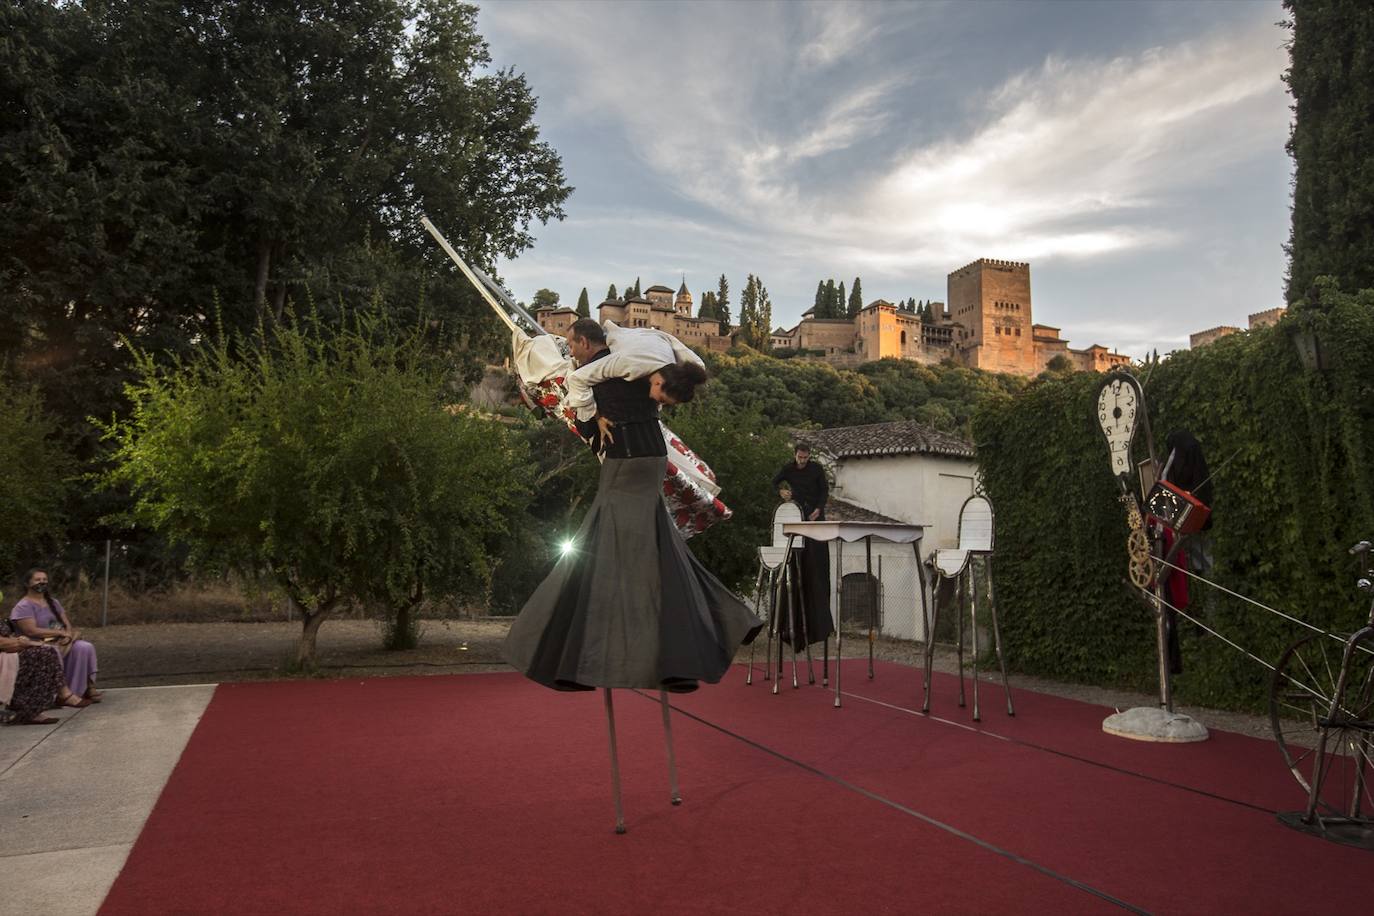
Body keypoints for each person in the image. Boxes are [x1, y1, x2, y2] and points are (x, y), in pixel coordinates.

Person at [504, 317, 761, 834]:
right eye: (664, 396)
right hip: (642, 462)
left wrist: (587, 418)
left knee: (612, 557)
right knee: (655, 556)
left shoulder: (653, 361)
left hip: (628, 464)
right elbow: (587, 375)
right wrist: (594, 414)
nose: (661, 400)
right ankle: (681, 645)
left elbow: (580, 383)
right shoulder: (650, 360)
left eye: (666, 397)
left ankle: (597, 650)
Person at [770, 446, 833, 650]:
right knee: (796, 552)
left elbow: (824, 489)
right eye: (800, 457)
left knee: (816, 555)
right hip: (796, 513)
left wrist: (819, 509)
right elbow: (773, 483)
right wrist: (782, 492)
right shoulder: (788, 469)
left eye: (806, 458)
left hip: (814, 513)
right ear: (795, 456)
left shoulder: (816, 469)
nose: (803, 460)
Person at [9, 569, 101, 702]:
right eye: (37, 579)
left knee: (84, 647)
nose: (42, 582)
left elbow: (66, 624)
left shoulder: (53, 602)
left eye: (44, 579)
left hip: (61, 640)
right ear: (27, 583)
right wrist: (60, 633)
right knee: (52, 650)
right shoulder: (23, 606)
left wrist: (68, 635)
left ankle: (85, 687)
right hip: (36, 643)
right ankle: (59, 694)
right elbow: (31, 631)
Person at [1, 617, 89, 725]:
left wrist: (21, 641)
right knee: (42, 654)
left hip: (10, 651)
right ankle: (62, 695)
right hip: (5, 654)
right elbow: (4, 642)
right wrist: (22, 642)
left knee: (46, 651)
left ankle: (31, 710)